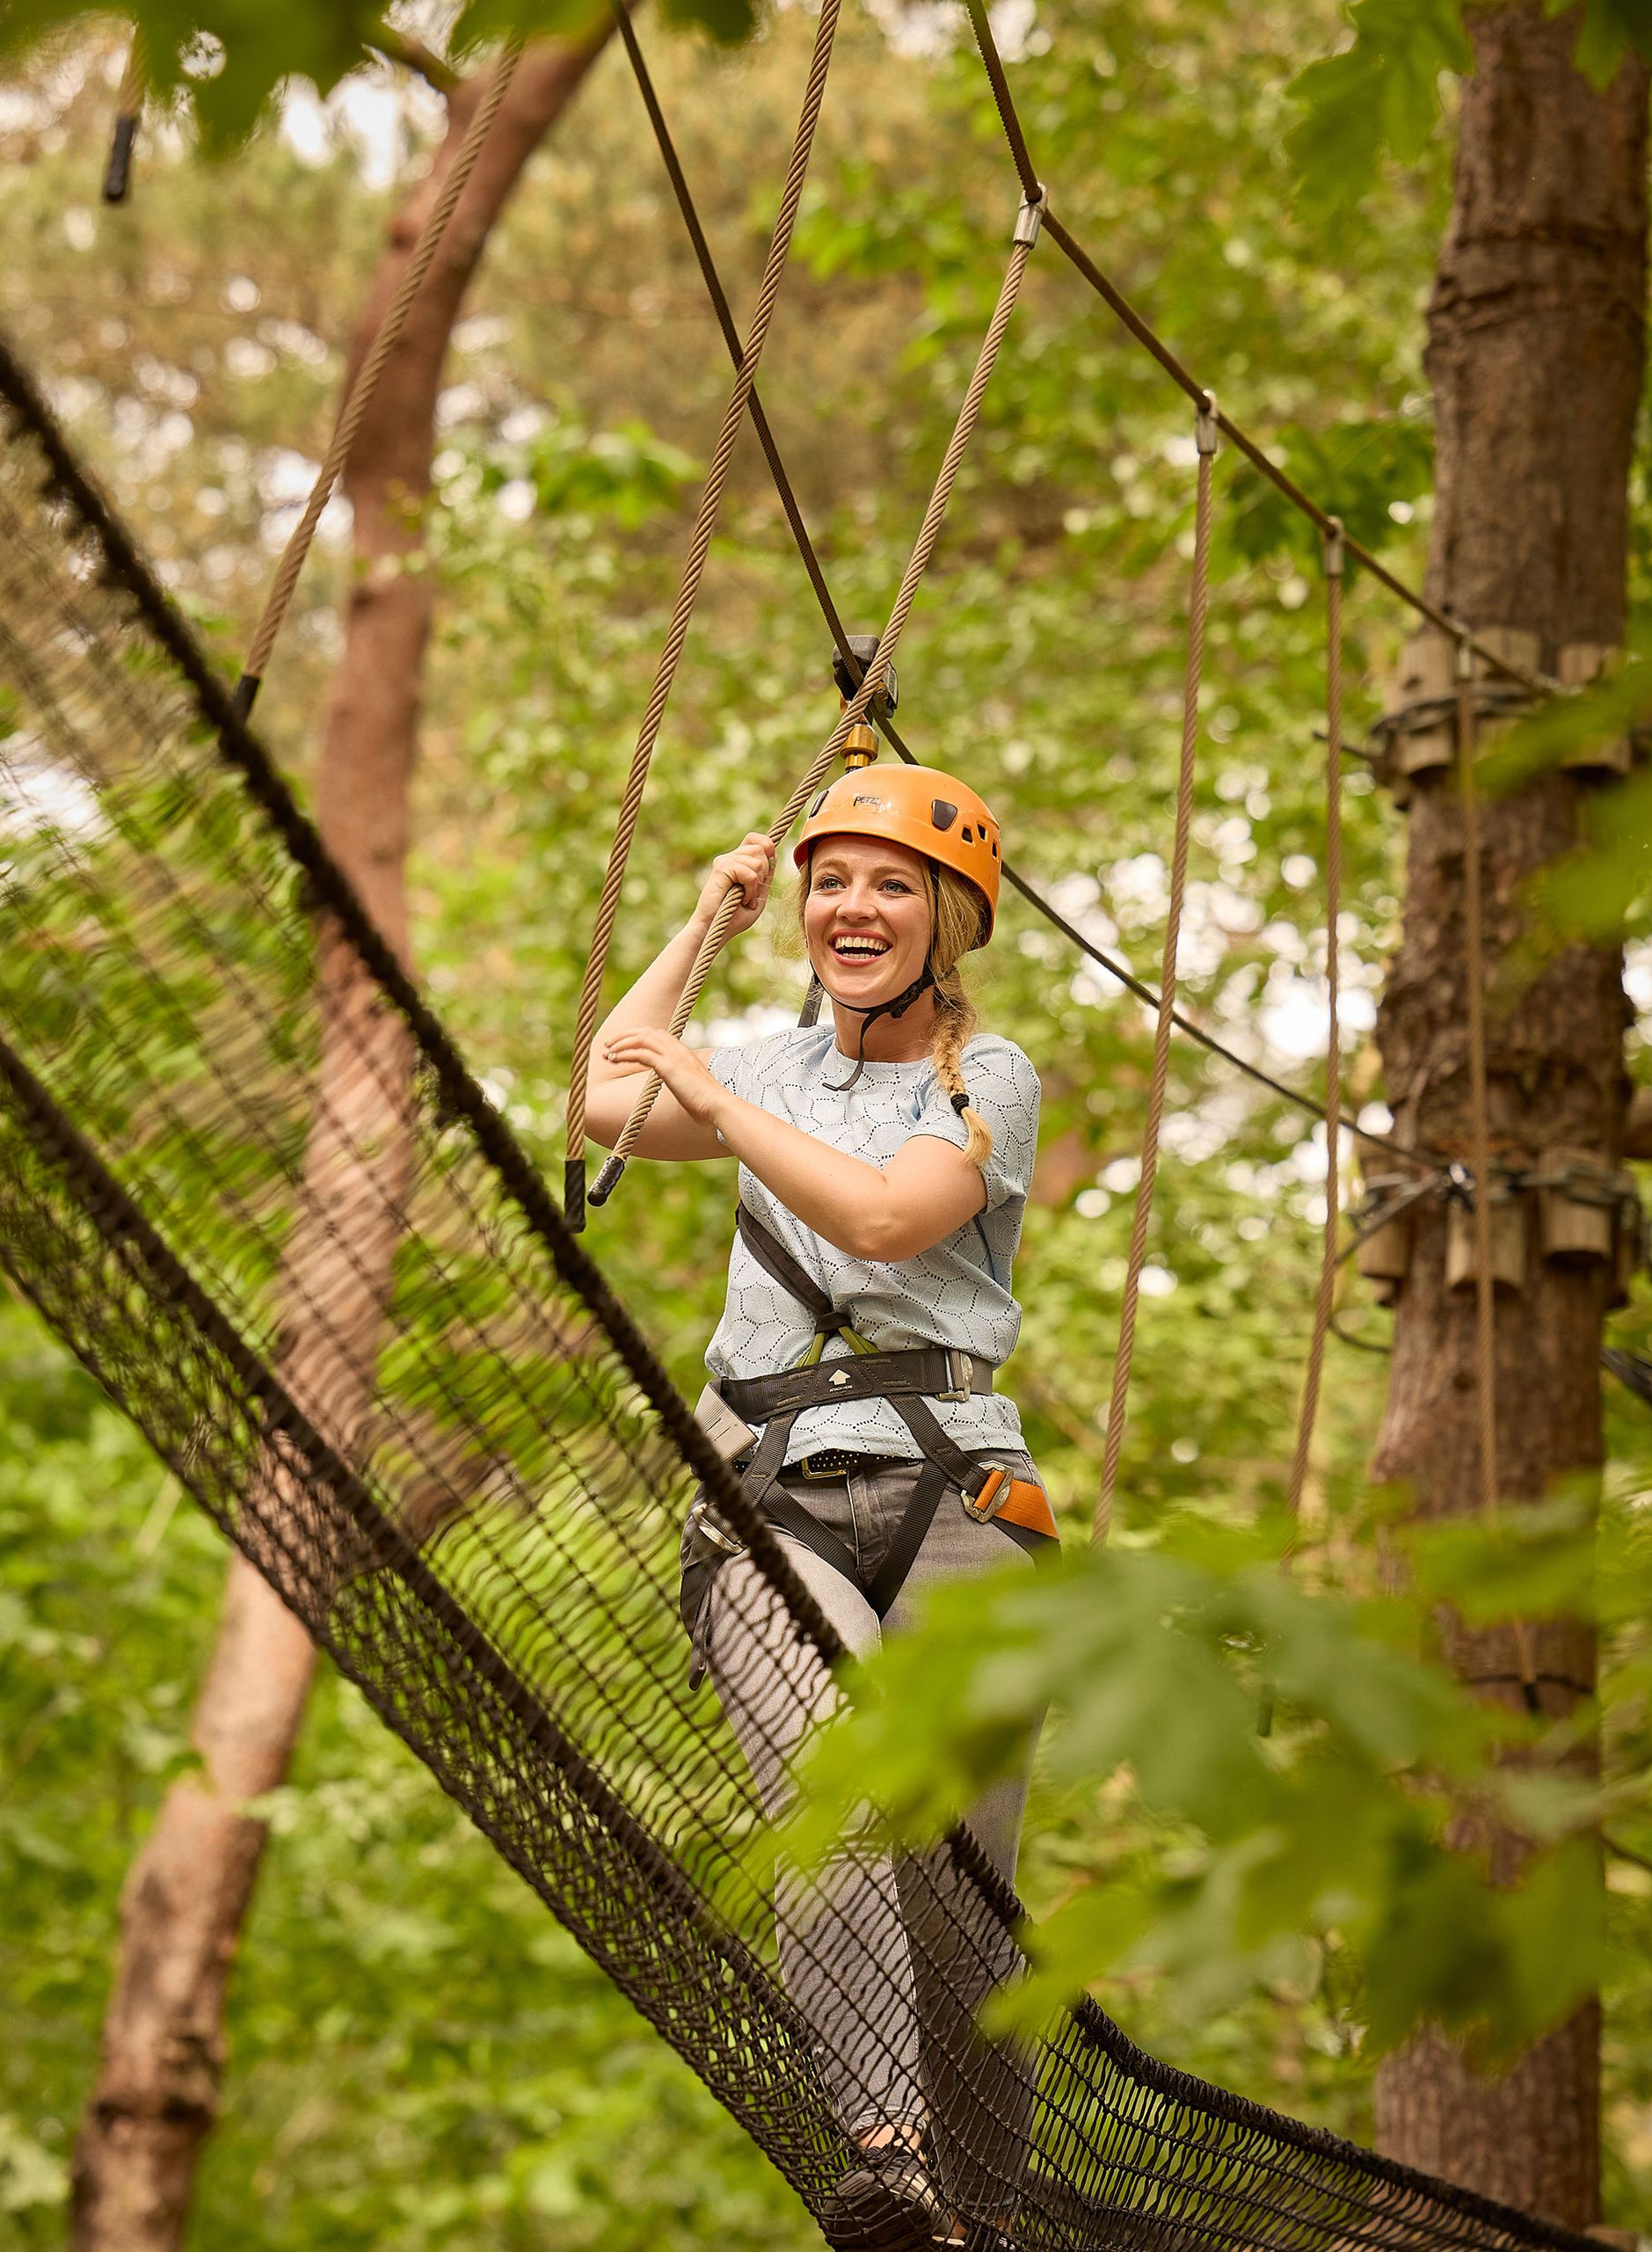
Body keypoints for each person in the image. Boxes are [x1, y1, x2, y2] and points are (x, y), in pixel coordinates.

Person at [584, 762, 1051, 2251]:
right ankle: (888, 2159)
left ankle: (989, 2203)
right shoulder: (765, 1069)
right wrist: (702, 931)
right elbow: (602, 1091)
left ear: (950, 919)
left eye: (891, 885)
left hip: (965, 1500)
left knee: (967, 1908)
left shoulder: (993, 1077)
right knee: (834, 1786)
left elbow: (885, 1215)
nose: (853, 906)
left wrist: (719, 1096)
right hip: (773, 1491)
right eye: (829, 881)